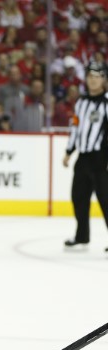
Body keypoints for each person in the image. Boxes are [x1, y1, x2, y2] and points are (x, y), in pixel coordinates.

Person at [62, 61, 108, 251]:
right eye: (90, 77)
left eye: (97, 77)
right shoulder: (80, 102)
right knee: (78, 197)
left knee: (106, 200)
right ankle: (82, 236)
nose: (93, 81)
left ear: (103, 80)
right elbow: (76, 128)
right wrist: (68, 152)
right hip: (83, 158)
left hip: (101, 159)